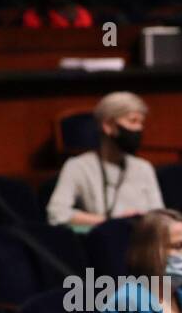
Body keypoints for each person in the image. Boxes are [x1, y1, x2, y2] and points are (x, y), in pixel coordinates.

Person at [46, 92, 165, 228]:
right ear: (108, 126)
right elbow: (56, 213)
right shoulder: (78, 166)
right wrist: (110, 222)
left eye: (141, 123)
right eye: (133, 121)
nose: (139, 128)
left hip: (144, 241)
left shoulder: (144, 167)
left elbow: (159, 215)